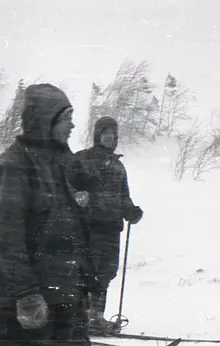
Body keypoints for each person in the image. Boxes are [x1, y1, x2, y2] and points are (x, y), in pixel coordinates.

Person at [0, 83, 96, 345]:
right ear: (45, 120)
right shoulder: (13, 167)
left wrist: (82, 282)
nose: (72, 126)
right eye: (66, 118)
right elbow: (6, 240)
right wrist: (27, 294)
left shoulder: (57, 164)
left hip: (63, 297)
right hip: (27, 305)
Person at [68, 116, 144, 334]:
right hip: (88, 227)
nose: (112, 139)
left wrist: (131, 211)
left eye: (114, 135)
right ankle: (78, 317)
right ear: (97, 136)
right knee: (85, 272)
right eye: (107, 134)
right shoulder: (81, 160)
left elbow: (123, 196)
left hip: (112, 227)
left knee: (106, 272)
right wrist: (77, 195)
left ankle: (96, 317)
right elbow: (65, 185)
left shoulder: (119, 167)